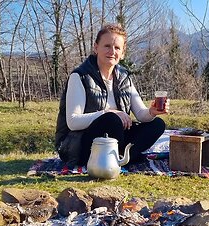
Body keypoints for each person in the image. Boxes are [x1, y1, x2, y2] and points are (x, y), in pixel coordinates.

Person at [55, 23, 167, 167]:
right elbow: (73, 122)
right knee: (111, 119)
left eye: (117, 48)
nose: (112, 51)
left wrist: (152, 112)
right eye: (107, 46)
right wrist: (107, 113)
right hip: (81, 146)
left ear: (123, 52)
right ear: (96, 48)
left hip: (115, 139)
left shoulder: (124, 77)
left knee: (156, 124)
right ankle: (122, 158)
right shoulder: (80, 76)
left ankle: (123, 158)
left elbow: (140, 114)